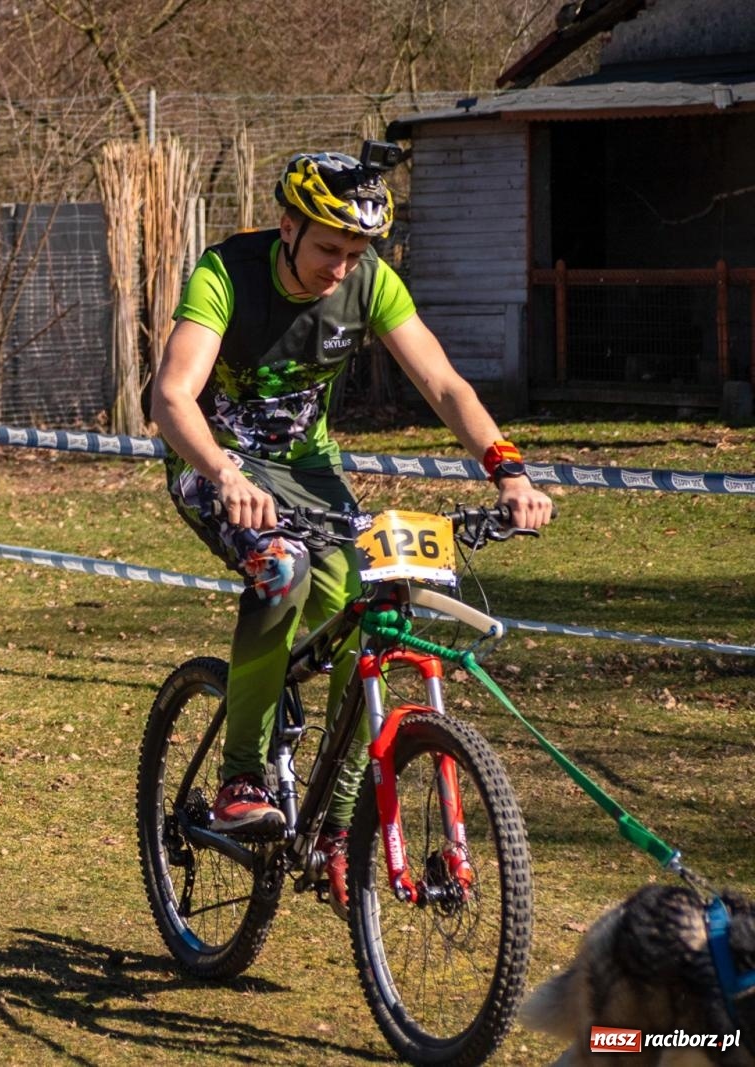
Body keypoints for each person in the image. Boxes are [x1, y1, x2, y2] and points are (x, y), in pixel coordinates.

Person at [150, 148, 553, 916]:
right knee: (281, 569)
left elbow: (443, 383)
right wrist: (225, 474)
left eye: (356, 253)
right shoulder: (226, 273)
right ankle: (241, 776)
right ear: (288, 227)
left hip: (308, 468)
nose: (341, 269)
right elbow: (171, 396)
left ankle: (339, 828)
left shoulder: (369, 282)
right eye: (328, 249)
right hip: (214, 456)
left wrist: (508, 471)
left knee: (369, 596)